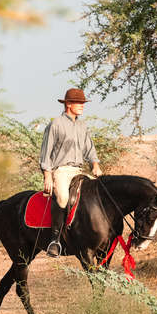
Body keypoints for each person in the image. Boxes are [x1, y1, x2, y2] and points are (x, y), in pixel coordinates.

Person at [40, 88, 103, 257]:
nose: (83, 106)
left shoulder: (83, 126)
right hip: (61, 170)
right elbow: (46, 152)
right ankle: (55, 240)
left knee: (98, 193)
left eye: (83, 103)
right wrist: (48, 175)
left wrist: (95, 165)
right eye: (79, 103)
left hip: (79, 170)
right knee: (62, 197)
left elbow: (90, 149)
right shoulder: (56, 124)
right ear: (68, 104)